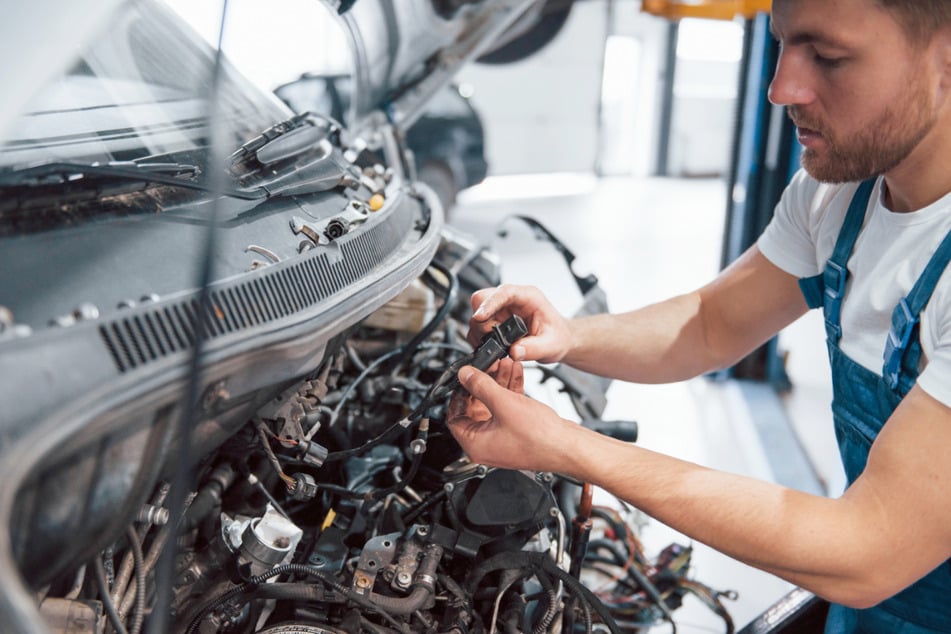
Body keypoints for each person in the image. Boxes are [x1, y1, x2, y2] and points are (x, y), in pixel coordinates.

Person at [445, 0, 951, 632]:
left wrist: (569, 447)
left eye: (827, 57)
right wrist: (569, 337)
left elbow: (868, 548)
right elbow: (712, 324)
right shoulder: (840, 196)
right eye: (783, 45)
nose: (780, 89)